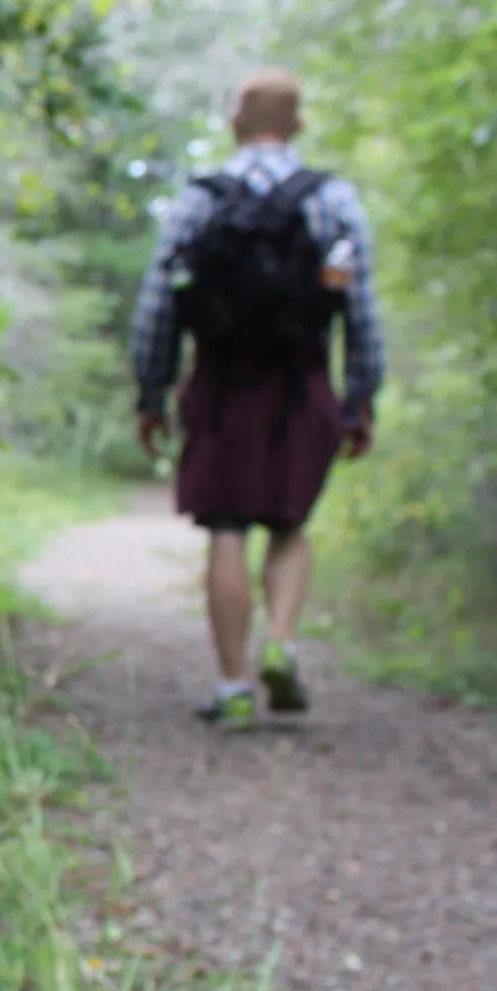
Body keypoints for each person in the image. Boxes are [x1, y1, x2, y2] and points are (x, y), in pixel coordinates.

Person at [130, 67, 384, 731]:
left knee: (225, 527)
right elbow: (360, 310)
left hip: (219, 385)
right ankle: (283, 641)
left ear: (235, 124)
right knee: (290, 524)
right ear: (297, 125)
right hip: (301, 382)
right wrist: (360, 398)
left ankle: (233, 685)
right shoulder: (333, 200)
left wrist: (150, 392)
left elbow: (159, 305)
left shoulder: (198, 199)